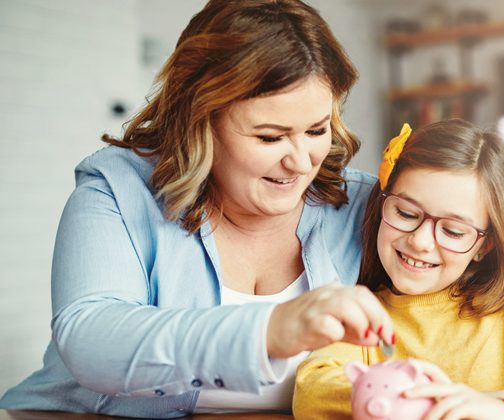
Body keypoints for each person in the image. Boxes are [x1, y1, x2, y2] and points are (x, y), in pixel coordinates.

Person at [0, 0, 395, 417]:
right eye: (269, 137)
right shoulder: (118, 187)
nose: (301, 162)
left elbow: (463, 290)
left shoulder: (363, 206)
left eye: (317, 130)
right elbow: (89, 338)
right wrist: (269, 331)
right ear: (201, 121)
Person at [293, 119, 504, 420]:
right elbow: (312, 390)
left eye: (452, 231)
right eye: (407, 213)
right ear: (382, 204)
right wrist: (402, 400)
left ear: (485, 245)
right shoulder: (365, 314)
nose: (421, 241)